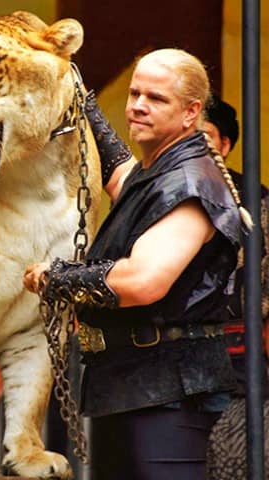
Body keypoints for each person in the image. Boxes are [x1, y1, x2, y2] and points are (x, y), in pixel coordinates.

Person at [23, 48, 251, 479]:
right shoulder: (164, 168)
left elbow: (144, 281)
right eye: (135, 94)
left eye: (156, 99)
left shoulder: (193, 182)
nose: (139, 106)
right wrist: (83, 103)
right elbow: (123, 180)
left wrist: (57, 277)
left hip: (168, 395)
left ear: (190, 113)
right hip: (134, 388)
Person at [201, 94, 269, 479]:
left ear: (225, 145)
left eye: (204, 136)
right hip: (166, 363)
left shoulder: (257, 203)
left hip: (238, 361)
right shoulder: (157, 193)